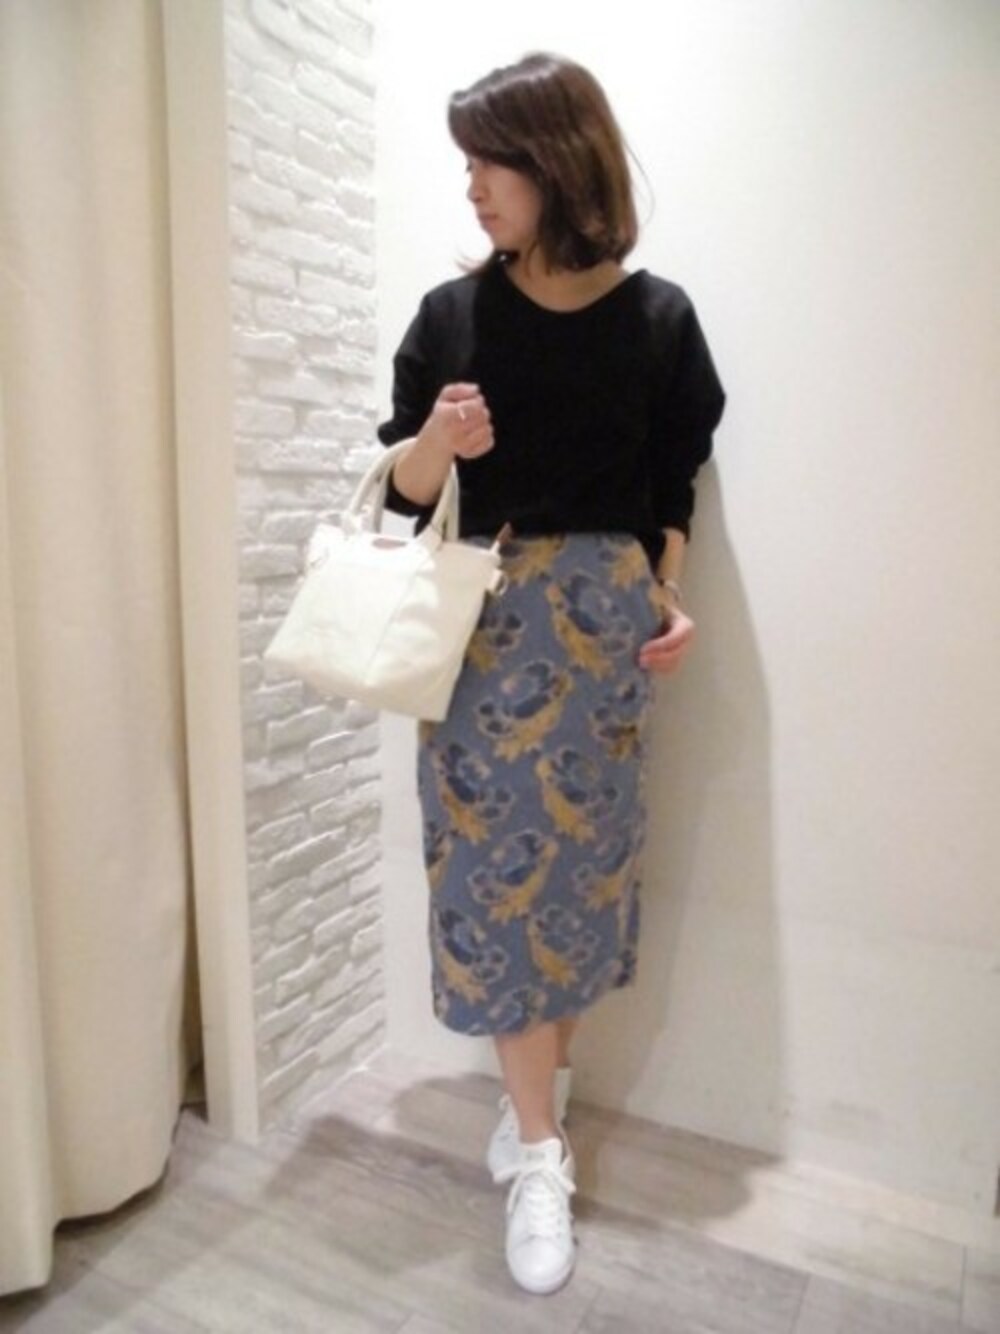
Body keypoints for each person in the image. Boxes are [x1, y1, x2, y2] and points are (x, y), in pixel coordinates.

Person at [377, 52, 725, 1296]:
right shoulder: (451, 317)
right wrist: (439, 437)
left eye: (491, 162)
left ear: (558, 163)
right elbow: (401, 496)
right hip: (480, 639)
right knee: (496, 892)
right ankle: (539, 1152)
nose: (472, 186)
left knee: (574, 889)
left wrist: (667, 598)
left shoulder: (659, 321)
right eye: (466, 163)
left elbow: (669, 488)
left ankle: (537, 1107)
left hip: (602, 643)